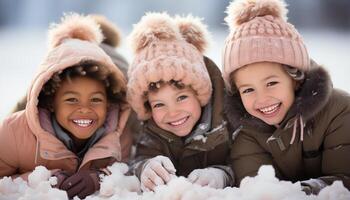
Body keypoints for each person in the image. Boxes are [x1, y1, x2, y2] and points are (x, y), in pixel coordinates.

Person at [222, 0, 350, 195]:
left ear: (296, 79)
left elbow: (344, 182)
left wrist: (297, 192)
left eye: (271, 83)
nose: (262, 98)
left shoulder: (339, 110)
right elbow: (258, 190)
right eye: (248, 90)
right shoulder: (245, 131)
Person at [0, 13, 130, 199]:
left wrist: (99, 178)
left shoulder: (118, 132)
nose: (85, 109)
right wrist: (44, 180)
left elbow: (127, 168)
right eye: (72, 100)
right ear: (51, 103)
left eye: (95, 100)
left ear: (108, 102)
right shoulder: (13, 133)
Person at [127, 12, 233, 192]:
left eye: (182, 97)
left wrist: (222, 174)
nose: (173, 112)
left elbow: (246, 162)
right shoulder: (152, 131)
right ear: (148, 107)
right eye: (159, 104)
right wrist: (146, 167)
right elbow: (139, 158)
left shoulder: (227, 123)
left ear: (200, 94)